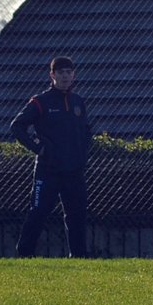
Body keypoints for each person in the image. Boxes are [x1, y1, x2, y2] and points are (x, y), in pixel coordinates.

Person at [11, 56, 93, 258]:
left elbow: (85, 131)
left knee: (76, 215)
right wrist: (39, 148)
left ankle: (79, 257)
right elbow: (17, 126)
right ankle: (24, 255)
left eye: (68, 72)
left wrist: (82, 154)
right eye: (61, 73)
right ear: (52, 75)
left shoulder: (78, 102)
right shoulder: (40, 102)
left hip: (74, 171)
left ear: (74, 75)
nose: (65, 76)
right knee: (38, 212)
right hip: (48, 171)